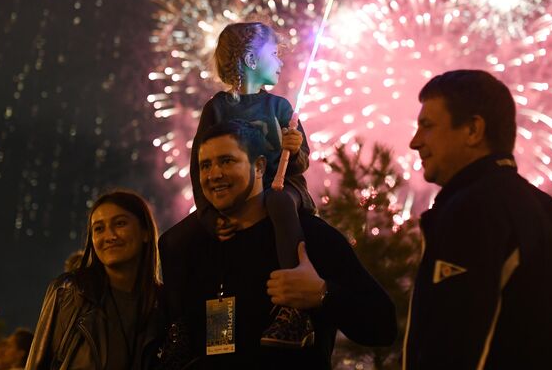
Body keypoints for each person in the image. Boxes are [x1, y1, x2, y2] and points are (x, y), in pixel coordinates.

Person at [158, 119, 397, 369]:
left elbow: (383, 326)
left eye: (227, 161)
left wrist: (323, 294)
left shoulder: (310, 237)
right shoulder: (193, 250)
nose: (214, 174)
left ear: (259, 166)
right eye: (205, 165)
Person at [403, 70, 552, 369]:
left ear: (473, 130)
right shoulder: (548, 210)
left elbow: (455, 343)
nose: (415, 142)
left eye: (427, 126)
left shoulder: (474, 210)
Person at [181, 21, 316, 347]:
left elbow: (301, 164)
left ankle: (293, 312)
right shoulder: (217, 109)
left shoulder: (281, 108)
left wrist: (294, 147)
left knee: (279, 203)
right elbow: (199, 164)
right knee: (173, 241)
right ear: (252, 62)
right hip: (235, 198)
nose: (281, 61)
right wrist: (207, 214)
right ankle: (179, 328)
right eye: (273, 53)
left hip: (279, 189)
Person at [25, 190, 164, 369]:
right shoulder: (69, 292)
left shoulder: (163, 303)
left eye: (120, 224)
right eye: (99, 228)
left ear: (145, 232)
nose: (110, 236)